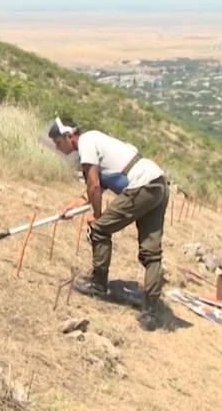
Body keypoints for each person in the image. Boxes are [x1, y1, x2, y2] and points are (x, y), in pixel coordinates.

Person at [48, 117, 169, 331]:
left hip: (142, 185)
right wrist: (71, 207)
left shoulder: (86, 142)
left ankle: (98, 285)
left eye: (59, 143)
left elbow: (94, 185)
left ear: (70, 136)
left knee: (99, 229)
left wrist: (97, 215)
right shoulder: (98, 142)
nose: (59, 148)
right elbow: (92, 190)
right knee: (151, 252)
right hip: (157, 183)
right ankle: (151, 311)